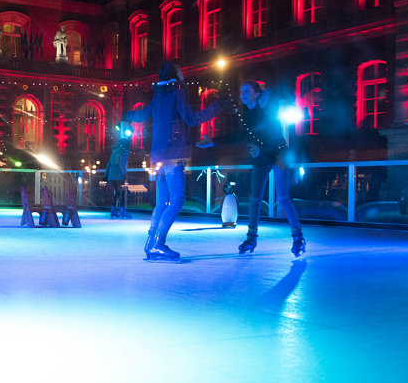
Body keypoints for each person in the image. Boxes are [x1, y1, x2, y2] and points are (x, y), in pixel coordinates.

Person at [126, 61, 225, 261]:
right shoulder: (177, 92)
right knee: (177, 200)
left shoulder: (157, 95)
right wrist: (217, 107)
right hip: (173, 153)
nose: (182, 73)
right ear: (175, 74)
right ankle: (159, 244)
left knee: (162, 202)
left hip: (157, 155)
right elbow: (191, 118)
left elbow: (142, 115)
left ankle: (150, 244)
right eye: (180, 70)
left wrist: (125, 115)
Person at [235, 80, 305, 256]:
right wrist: (213, 141)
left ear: (256, 94)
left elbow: (274, 138)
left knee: (282, 198)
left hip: (278, 156)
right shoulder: (246, 113)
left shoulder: (267, 109)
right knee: (255, 199)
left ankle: (298, 238)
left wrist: (261, 149)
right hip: (260, 158)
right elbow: (240, 136)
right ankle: (251, 237)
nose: (242, 94)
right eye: (241, 91)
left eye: (246, 91)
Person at [105, 122, 132, 219]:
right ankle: (122, 211)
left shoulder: (114, 151)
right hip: (119, 174)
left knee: (117, 193)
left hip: (112, 175)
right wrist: (125, 174)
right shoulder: (124, 152)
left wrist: (106, 176)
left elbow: (109, 164)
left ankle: (113, 211)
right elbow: (122, 164)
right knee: (122, 193)